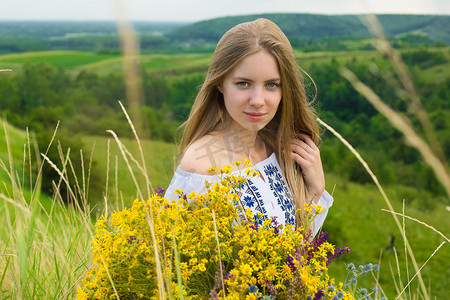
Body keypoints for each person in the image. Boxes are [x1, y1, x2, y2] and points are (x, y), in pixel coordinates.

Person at [165, 18, 332, 237]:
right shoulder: (202, 165)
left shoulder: (276, 148)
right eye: (244, 83)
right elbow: (172, 258)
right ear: (220, 83)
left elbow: (298, 249)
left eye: (271, 85)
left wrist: (315, 192)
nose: (258, 100)